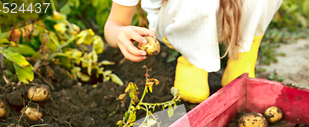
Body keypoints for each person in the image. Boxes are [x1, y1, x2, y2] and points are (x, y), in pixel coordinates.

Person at [105, 0, 283, 103]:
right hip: (182, 20)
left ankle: (242, 58)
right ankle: (193, 64)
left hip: (234, 14)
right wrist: (120, 33)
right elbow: (115, 23)